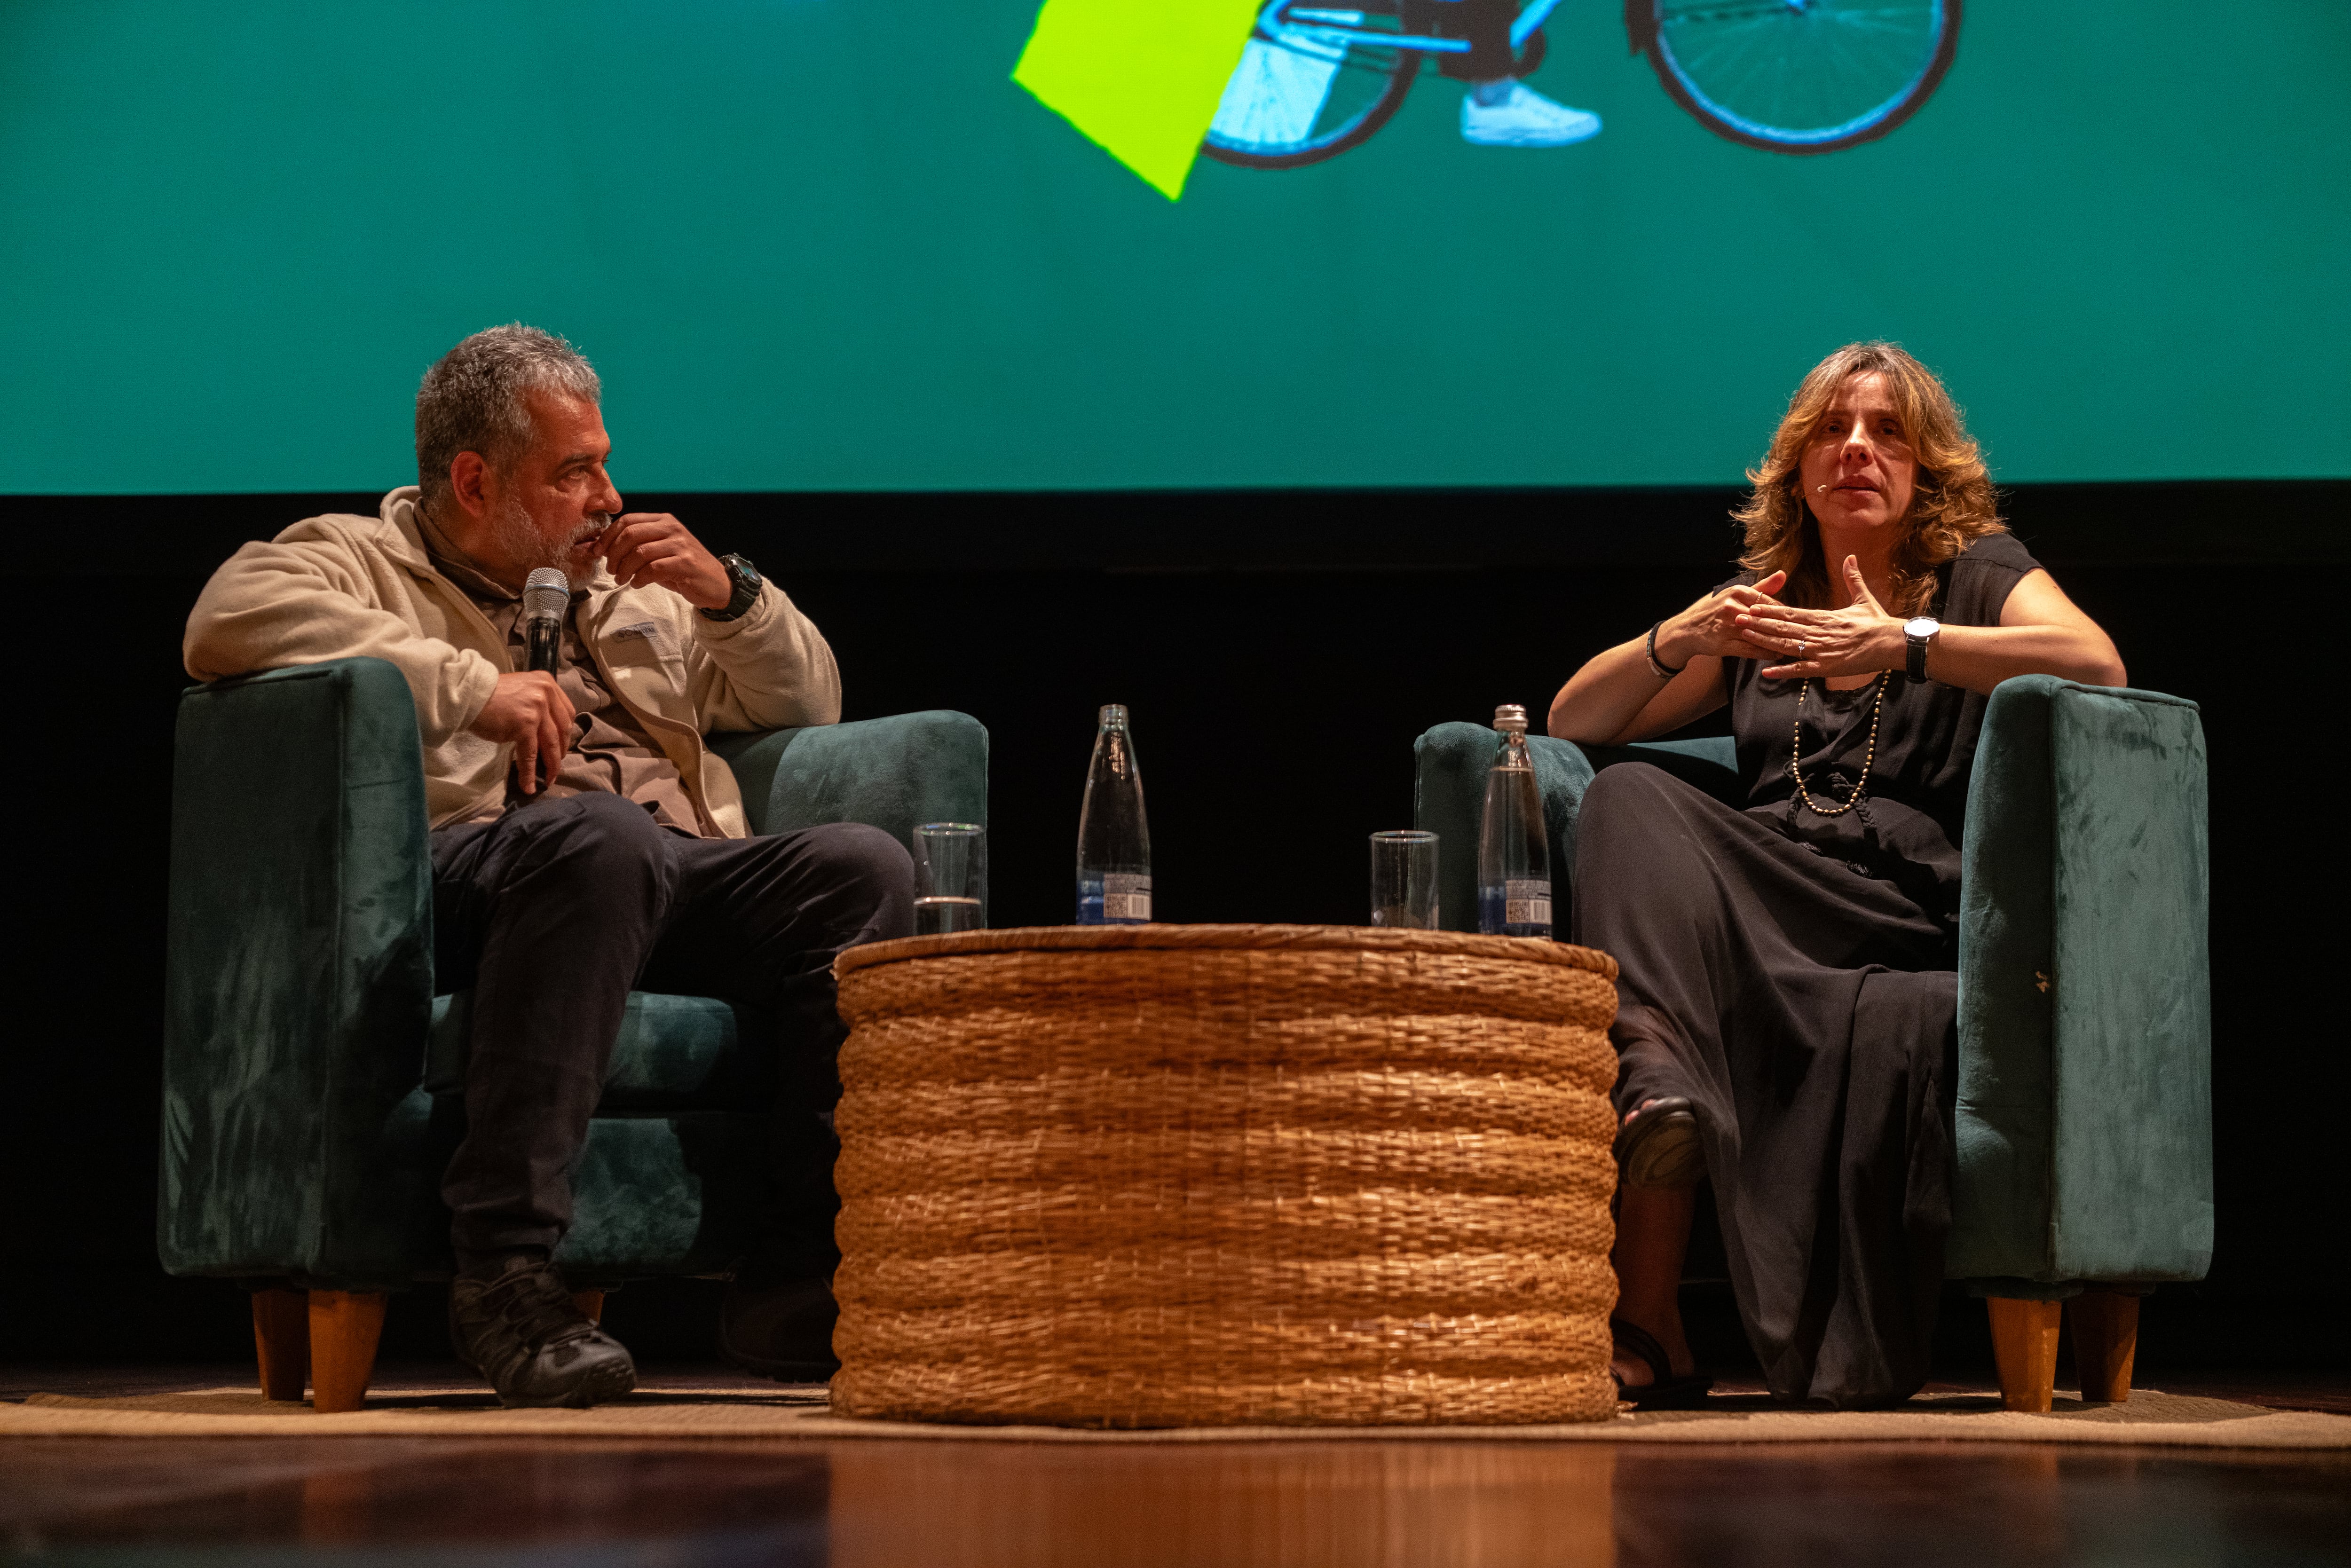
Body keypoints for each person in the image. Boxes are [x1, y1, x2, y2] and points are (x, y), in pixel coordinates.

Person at [183, 325, 915, 1408]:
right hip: (476, 876)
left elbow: (809, 704)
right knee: (602, 842)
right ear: (474, 481)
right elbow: (222, 621)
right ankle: (506, 1275)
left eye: (605, 464)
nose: (609, 497)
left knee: (858, 867)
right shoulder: (356, 555)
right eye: (574, 472)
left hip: (659, 873)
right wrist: (469, 687)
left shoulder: (629, 590)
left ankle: (799, 1275)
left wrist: (731, 594)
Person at [1547, 342, 2126, 1410]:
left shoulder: (1977, 571)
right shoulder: (1762, 601)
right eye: (1832, 429)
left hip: (1890, 903)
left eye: (1886, 432)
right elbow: (1573, 722)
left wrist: (1905, 642)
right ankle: (1657, 1207)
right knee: (1628, 798)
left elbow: (2096, 664)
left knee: (1660, 916)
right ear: (1796, 467)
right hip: (1770, 890)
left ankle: (1649, 1296)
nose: (1855, 449)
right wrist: (1679, 638)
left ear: (1926, 469)